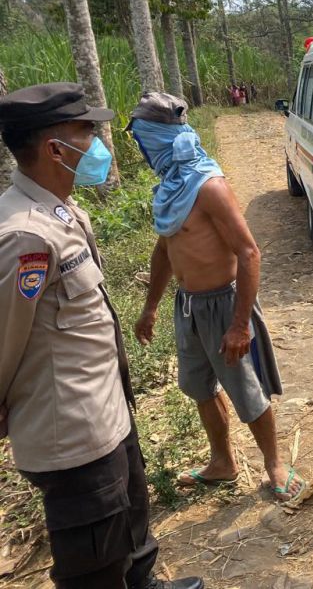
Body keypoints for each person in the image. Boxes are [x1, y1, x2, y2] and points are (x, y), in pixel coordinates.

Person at [0, 83, 202, 589]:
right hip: (70, 430)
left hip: (105, 406)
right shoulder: (24, 233)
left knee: (130, 518)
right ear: (54, 149)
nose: (97, 143)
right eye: (87, 132)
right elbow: (4, 340)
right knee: (94, 561)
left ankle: (145, 581)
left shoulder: (62, 210)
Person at [130, 93, 305, 501]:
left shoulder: (208, 186)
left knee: (247, 390)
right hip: (187, 305)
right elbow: (164, 250)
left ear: (157, 138)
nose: (140, 149)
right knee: (198, 387)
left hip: (224, 306)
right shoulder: (170, 189)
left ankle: (275, 464)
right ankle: (222, 462)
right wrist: (151, 306)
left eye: (142, 139)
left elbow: (248, 252)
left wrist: (240, 323)